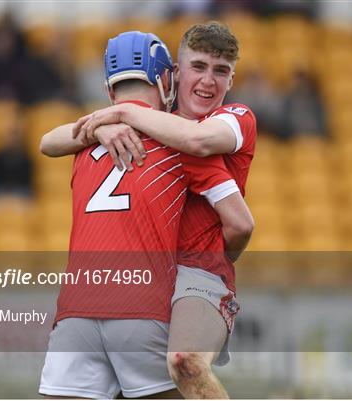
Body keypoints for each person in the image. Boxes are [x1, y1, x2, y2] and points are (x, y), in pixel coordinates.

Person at [39, 31, 253, 399]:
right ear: (169, 77)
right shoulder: (176, 142)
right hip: (141, 301)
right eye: (197, 67)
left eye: (219, 70)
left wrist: (108, 121)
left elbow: (47, 142)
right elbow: (240, 222)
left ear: (109, 90)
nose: (206, 79)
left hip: (81, 305)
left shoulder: (90, 140)